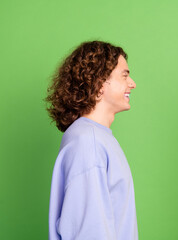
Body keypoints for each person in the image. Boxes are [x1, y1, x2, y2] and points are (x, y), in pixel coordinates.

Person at [46, 41, 138, 240]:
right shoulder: (89, 142)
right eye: (124, 75)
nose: (132, 83)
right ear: (99, 82)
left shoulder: (94, 137)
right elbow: (90, 231)